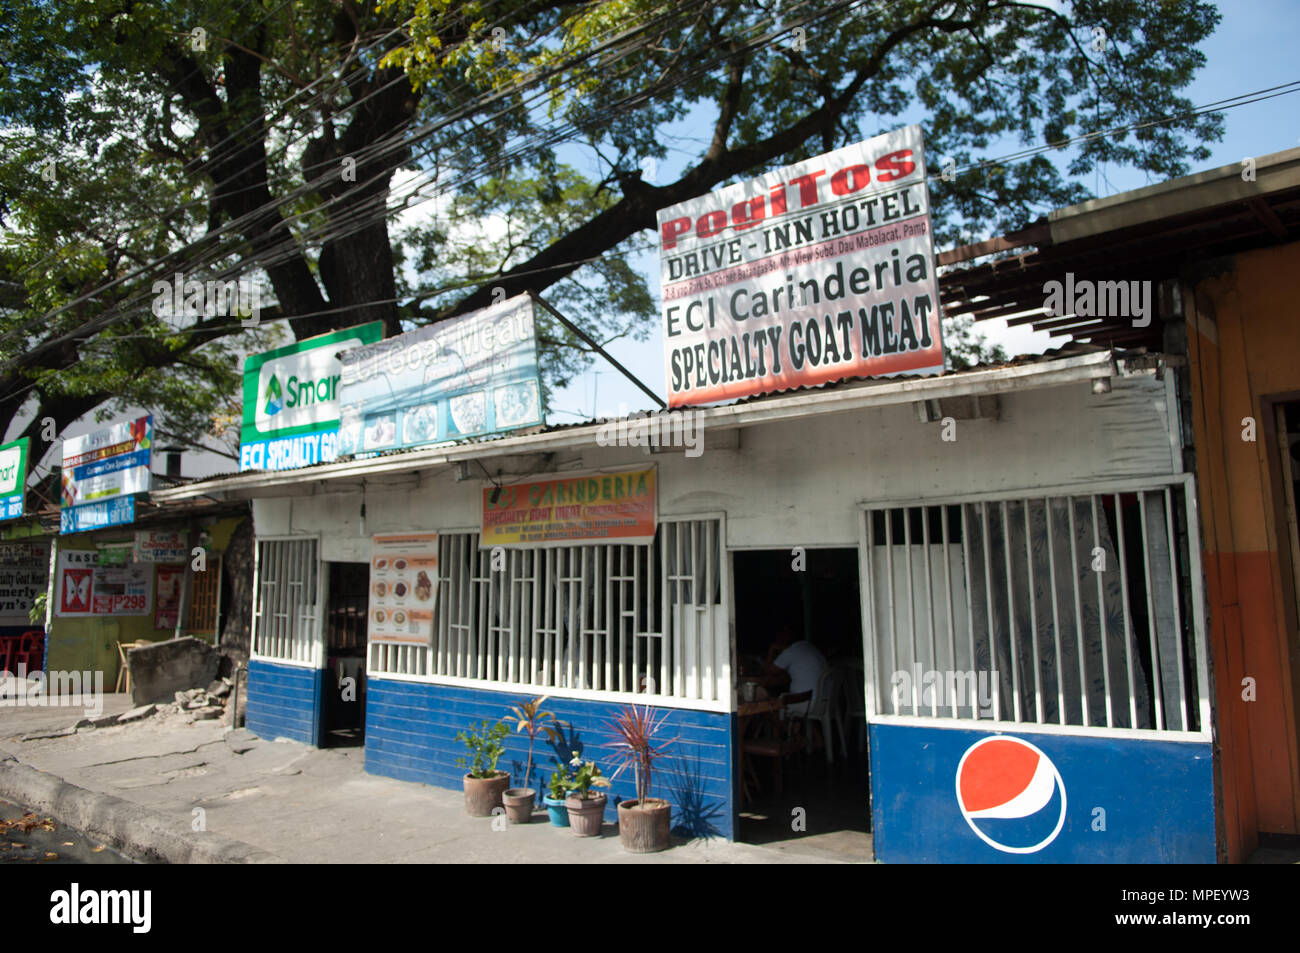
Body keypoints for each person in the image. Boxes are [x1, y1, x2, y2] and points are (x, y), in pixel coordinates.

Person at [764, 626, 828, 717]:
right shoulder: (809, 647)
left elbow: (768, 670)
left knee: (771, 706)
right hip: (827, 702)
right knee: (782, 699)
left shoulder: (791, 651)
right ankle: (798, 729)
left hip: (808, 703)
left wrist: (772, 649)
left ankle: (786, 730)